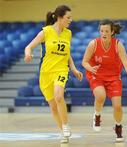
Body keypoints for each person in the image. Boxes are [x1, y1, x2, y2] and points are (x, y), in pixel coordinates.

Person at [24, 5, 83, 143]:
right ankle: (62, 131)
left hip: (61, 70)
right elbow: (29, 46)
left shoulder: (68, 33)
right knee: (53, 106)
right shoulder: (46, 32)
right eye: (68, 18)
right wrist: (28, 54)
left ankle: (66, 124)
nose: (71, 20)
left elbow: (67, 54)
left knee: (58, 96)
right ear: (60, 18)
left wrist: (73, 68)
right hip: (46, 73)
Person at [82, 20, 127, 142]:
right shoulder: (93, 44)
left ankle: (118, 127)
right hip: (96, 75)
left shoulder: (118, 45)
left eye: (106, 31)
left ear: (112, 32)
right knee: (100, 96)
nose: (103, 33)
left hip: (113, 77)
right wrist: (90, 68)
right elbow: (84, 62)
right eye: (101, 31)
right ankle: (97, 116)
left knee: (117, 106)